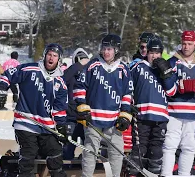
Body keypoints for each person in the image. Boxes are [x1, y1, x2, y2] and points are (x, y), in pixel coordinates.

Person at [0, 43, 68, 176]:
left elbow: (59, 109)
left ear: (59, 60)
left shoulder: (60, 83)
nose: (51, 58)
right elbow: (8, 74)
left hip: (46, 126)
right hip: (25, 122)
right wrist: (1, 88)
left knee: (55, 152)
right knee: (29, 153)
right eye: (49, 54)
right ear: (45, 55)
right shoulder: (30, 69)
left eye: (55, 56)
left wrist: (61, 127)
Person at [74, 34, 133, 177]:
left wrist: (124, 114)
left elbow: (127, 94)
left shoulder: (123, 69)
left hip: (113, 122)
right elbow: (80, 87)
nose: (106, 52)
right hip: (93, 119)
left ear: (116, 50)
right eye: (104, 48)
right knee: (90, 152)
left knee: (117, 153)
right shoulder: (92, 65)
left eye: (110, 49)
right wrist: (82, 106)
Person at [161, 30, 195, 176]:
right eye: (184, 43)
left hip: (194, 114)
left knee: (190, 147)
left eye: (189, 44)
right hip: (175, 111)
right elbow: (169, 91)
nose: (186, 47)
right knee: (169, 145)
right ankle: (166, 174)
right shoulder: (173, 62)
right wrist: (182, 86)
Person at [128, 37, 177, 176]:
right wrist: (129, 104)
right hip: (142, 114)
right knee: (139, 149)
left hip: (160, 116)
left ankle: (153, 174)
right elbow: (127, 87)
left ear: (161, 54)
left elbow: (172, 92)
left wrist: (166, 75)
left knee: (156, 151)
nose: (154, 56)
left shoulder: (167, 68)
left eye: (157, 53)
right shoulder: (138, 67)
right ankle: (134, 174)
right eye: (151, 52)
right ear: (146, 53)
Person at [62, 48, 89, 160]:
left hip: (86, 117)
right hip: (71, 116)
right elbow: (62, 79)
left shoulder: (90, 74)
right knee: (68, 148)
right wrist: (78, 65)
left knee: (89, 148)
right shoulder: (70, 73)